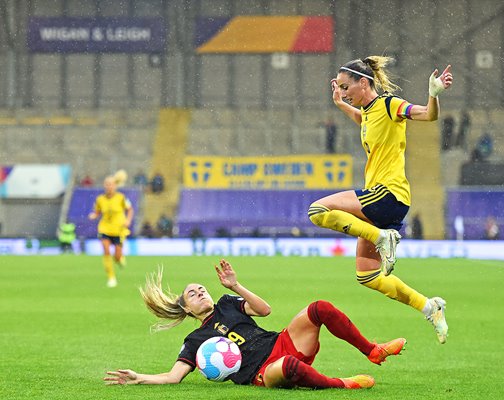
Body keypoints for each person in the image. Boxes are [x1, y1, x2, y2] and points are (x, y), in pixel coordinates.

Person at [307, 56, 452, 344]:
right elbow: (361, 118)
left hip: (387, 193)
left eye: (347, 86)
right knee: (368, 276)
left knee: (317, 210)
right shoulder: (368, 114)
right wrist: (340, 103)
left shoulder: (389, 104)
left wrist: (433, 95)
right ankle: (429, 307)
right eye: (340, 86)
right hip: (386, 202)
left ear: (364, 82)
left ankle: (383, 238)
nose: (344, 91)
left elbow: (428, 115)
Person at [104, 259, 405, 389]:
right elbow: (173, 377)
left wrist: (236, 286)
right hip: (261, 372)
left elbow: (265, 310)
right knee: (289, 367)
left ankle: (372, 351)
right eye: (192, 294)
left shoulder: (225, 302)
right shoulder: (196, 341)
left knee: (319, 308)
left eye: (202, 288)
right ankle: (343, 384)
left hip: (281, 341)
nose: (200, 292)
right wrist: (138, 377)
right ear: (185, 308)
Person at [88, 170, 133, 287]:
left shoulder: (121, 198)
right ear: (104, 186)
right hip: (104, 228)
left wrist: (128, 220)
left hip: (118, 230)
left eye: (111, 184)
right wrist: (94, 215)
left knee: (117, 257)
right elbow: (97, 211)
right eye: (107, 184)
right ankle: (111, 278)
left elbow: (130, 209)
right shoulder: (100, 199)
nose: (109, 187)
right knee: (106, 251)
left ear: (115, 186)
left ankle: (120, 259)